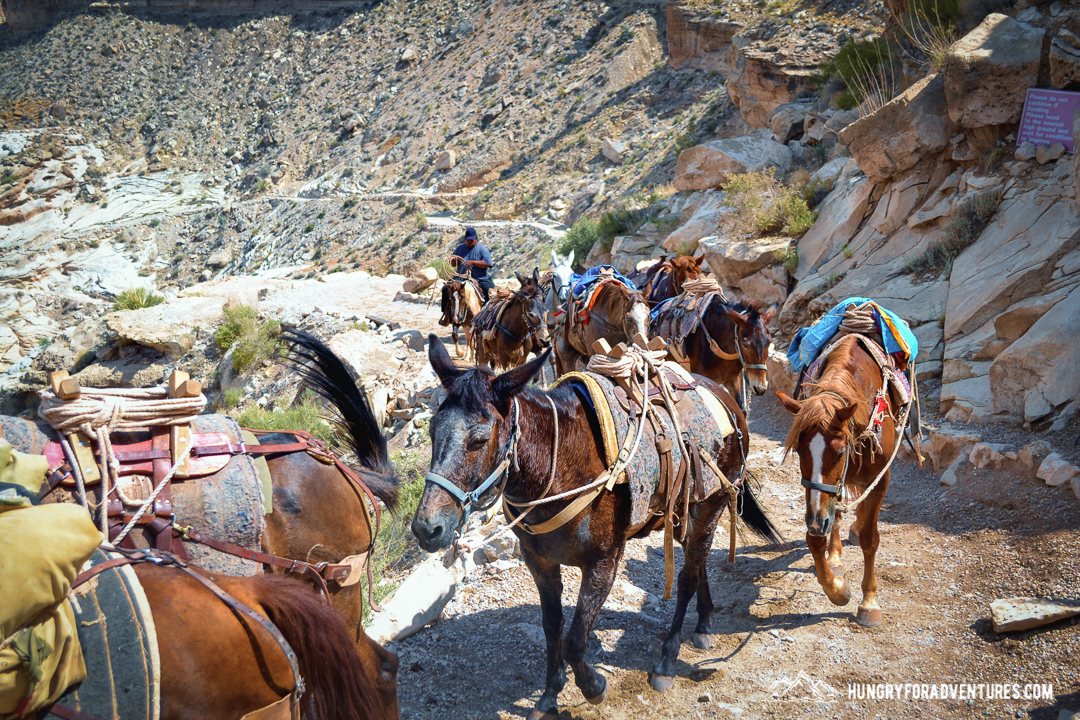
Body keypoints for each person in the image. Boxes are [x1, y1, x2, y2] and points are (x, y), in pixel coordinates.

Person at [439, 227, 495, 326]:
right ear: (465, 240)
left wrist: (472, 262)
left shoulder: (482, 249)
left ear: (476, 239)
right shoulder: (459, 248)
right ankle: (447, 315)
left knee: (489, 290)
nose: (470, 242)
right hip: (460, 278)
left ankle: (490, 316)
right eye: (468, 240)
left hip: (479, 278)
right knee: (445, 289)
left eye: (472, 240)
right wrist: (453, 260)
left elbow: (488, 263)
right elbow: (453, 264)